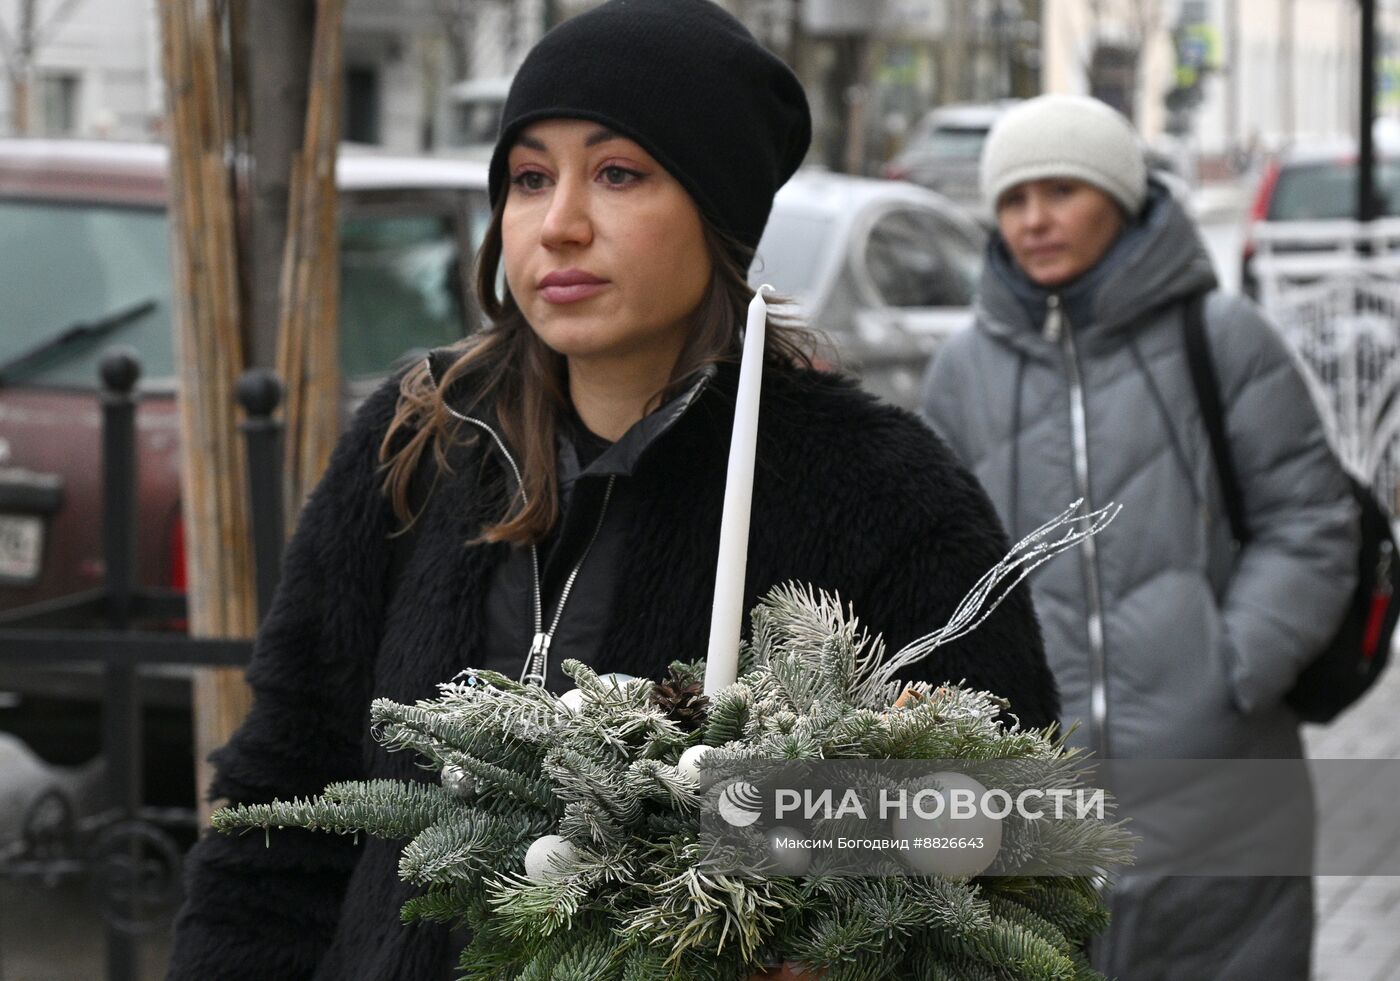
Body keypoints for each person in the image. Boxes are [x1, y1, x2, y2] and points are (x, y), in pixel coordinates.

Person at [165, 3, 1058, 979]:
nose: (559, 224)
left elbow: (1013, 861)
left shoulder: (880, 493)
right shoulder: (417, 444)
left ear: (716, 212)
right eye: (529, 177)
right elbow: (280, 813)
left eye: (619, 174)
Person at [921, 94, 1359, 980]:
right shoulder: (962, 370)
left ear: (1119, 196)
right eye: (1012, 199)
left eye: (1061, 190)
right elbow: (934, 560)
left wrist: (1233, 669)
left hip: (1224, 779)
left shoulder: (1223, 338)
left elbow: (1310, 519)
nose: (1033, 219)